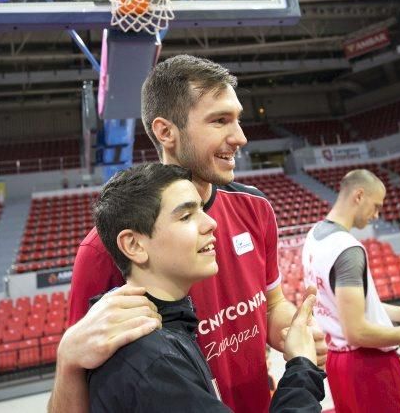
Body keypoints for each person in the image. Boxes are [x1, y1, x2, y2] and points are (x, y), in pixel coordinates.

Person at [51, 55, 326, 413]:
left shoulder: (255, 208)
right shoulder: (105, 248)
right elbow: (79, 379)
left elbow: (270, 304)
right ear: (166, 132)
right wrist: (65, 362)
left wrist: (293, 334)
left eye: (238, 120)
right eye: (220, 121)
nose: (240, 137)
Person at [87, 163, 325, 412]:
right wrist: (302, 366)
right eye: (186, 216)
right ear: (133, 245)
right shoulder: (154, 362)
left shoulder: (162, 330)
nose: (211, 223)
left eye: (201, 209)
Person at [302, 169, 400, 413]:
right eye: (376, 206)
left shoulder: (314, 235)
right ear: (359, 196)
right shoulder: (346, 248)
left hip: (339, 362)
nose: (376, 215)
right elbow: (357, 331)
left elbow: (344, 306)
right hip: (367, 365)